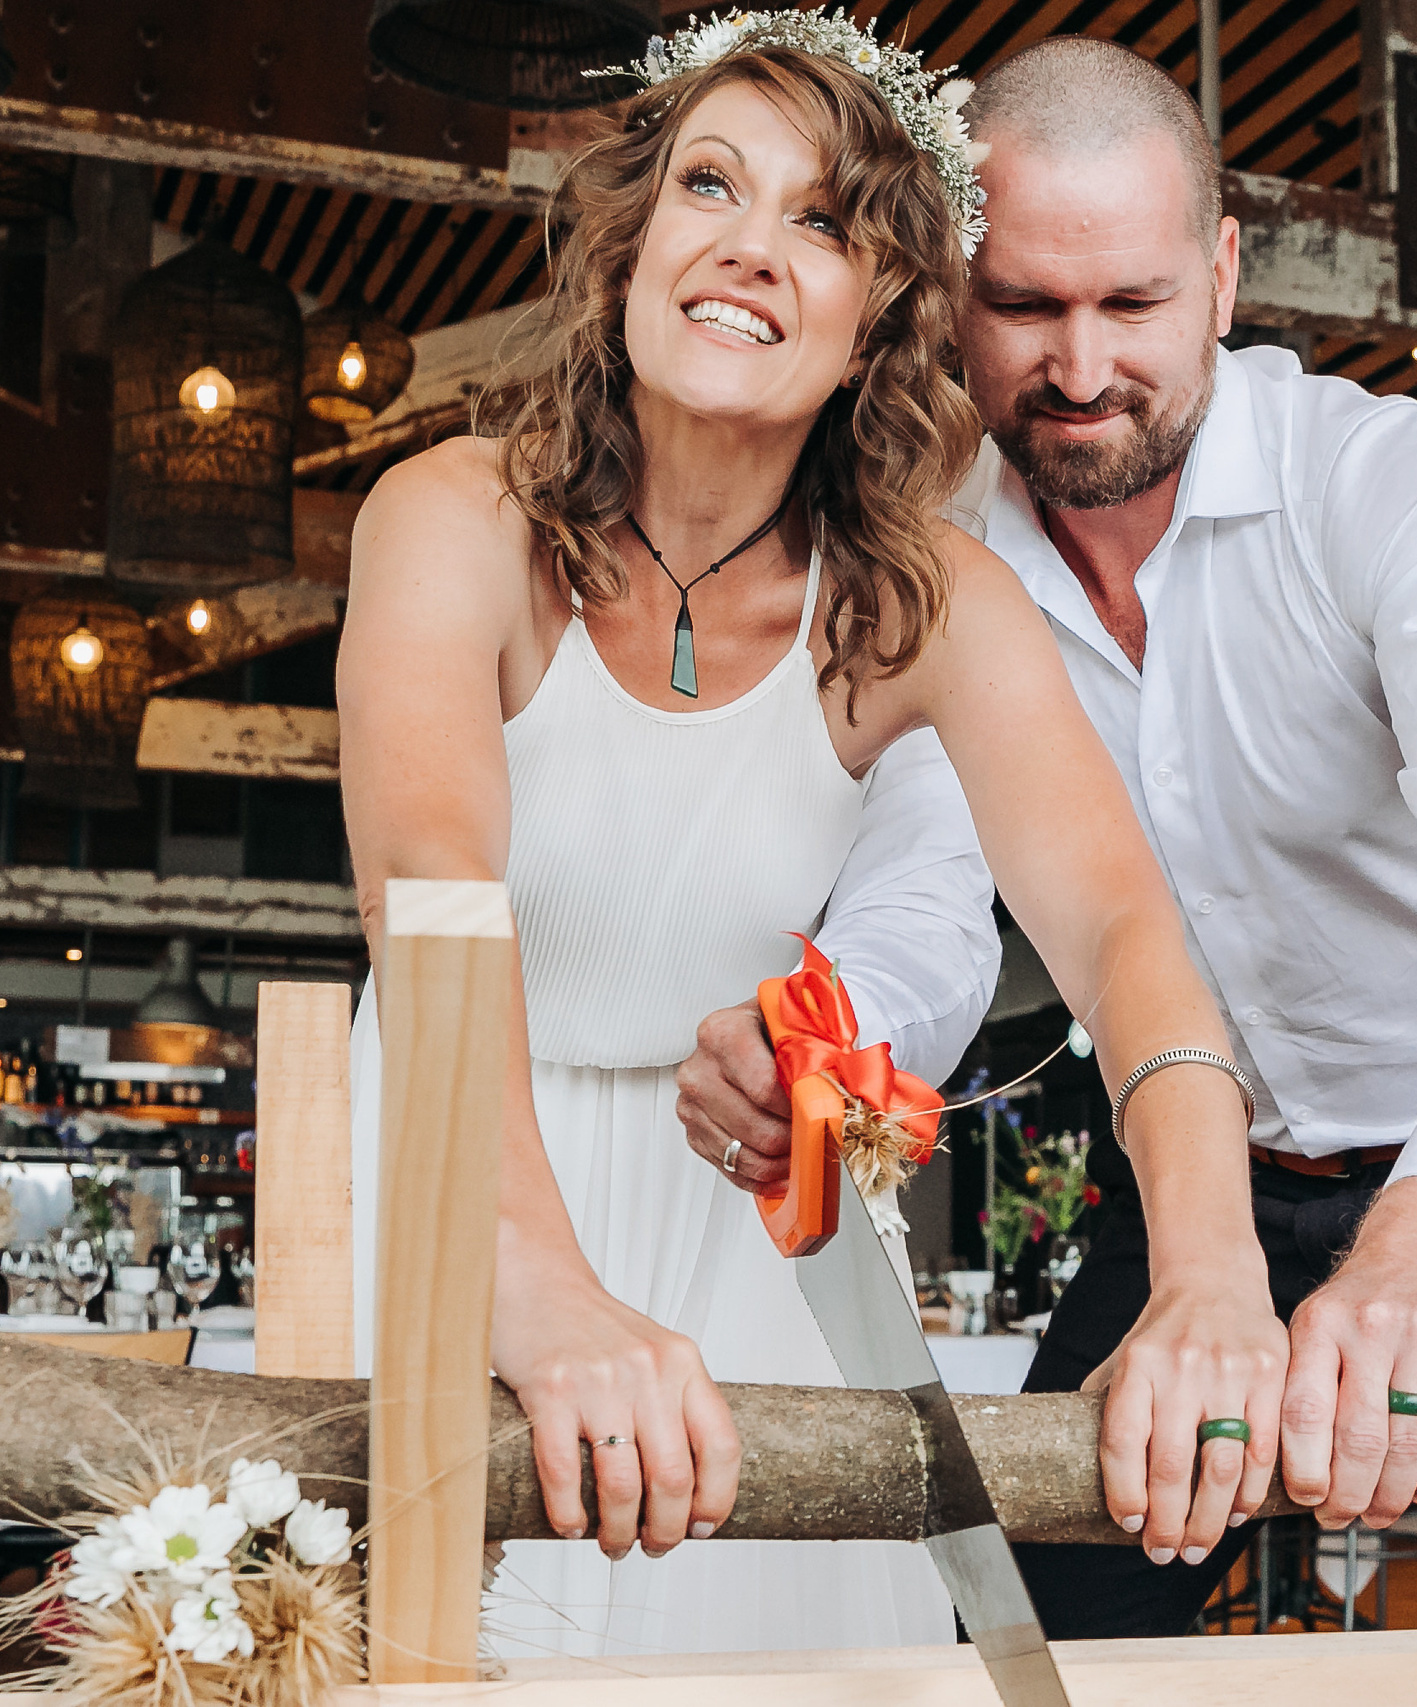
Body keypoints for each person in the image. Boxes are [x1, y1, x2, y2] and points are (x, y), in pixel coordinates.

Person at [674, 35, 1417, 1637]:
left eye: (1133, 305)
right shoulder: (937, 559)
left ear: (1220, 276)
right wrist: (836, 1040)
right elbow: (931, 886)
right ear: (946, 291)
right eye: (1024, 307)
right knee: (1048, 1636)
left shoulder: (1391, 482)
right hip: (1199, 1186)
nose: (1079, 368)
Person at [336, 17, 1287, 1660]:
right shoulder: (453, 518)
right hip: (446, 1167)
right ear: (634, 244)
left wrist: (1209, 1272)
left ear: (877, 324)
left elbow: (1130, 940)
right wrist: (536, 1289)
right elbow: (434, 897)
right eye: (712, 182)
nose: (749, 248)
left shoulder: (925, 604)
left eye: (825, 221)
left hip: (743, 1237)